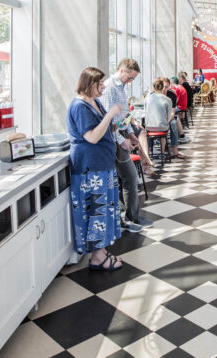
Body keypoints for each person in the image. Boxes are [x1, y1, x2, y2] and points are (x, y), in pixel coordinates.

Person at [66, 67, 125, 270]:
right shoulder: (80, 106)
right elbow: (91, 136)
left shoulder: (95, 102)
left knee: (105, 209)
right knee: (96, 210)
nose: (103, 87)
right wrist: (110, 115)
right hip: (90, 169)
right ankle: (97, 257)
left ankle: (102, 249)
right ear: (89, 84)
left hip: (102, 166)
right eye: (99, 84)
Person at [100, 58, 155, 232]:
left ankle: (130, 217)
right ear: (122, 71)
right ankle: (130, 218)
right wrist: (121, 139)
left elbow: (124, 115)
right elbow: (109, 120)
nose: (130, 82)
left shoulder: (121, 87)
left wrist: (131, 132)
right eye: (130, 78)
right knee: (130, 177)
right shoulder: (110, 88)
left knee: (128, 179)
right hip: (113, 138)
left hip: (122, 133)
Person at [145, 79, 183, 160]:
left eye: (166, 87)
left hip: (151, 126)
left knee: (173, 123)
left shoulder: (148, 98)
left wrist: (166, 121)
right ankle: (162, 152)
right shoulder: (167, 100)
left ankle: (148, 153)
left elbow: (171, 114)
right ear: (161, 87)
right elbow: (169, 113)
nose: (164, 89)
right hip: (162, 124)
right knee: (164, 127)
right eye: (164, 87)